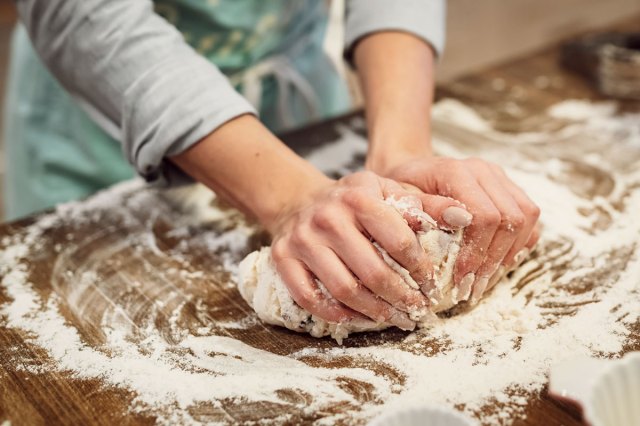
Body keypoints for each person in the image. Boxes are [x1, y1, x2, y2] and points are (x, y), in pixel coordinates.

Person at [5, 0, 540, 328]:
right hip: (106, 117)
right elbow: (84, 13)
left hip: (294, 101)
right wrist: (291, 197)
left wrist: (401, 152)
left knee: (347, 235)